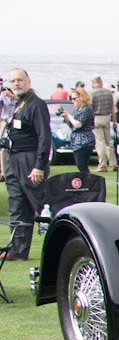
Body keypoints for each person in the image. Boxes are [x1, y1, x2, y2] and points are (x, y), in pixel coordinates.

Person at [2, 68, 51, 261]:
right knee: (16, 204)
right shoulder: (18, 103)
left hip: (30, 159)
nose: (16, 84)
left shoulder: (36, 104)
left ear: (28, 81)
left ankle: (63, 245)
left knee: (42, 205)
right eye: (12, 81)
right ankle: (17, 249)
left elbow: (44, 137)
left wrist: (39, 165)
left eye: (20, 80)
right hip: (14, 159)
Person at [60, 87, 96, 173]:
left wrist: (69, 116)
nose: (72, 101)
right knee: (80, 166)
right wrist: (66, 118)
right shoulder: (77, 110)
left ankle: (88, 183)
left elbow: (78, 124)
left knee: (82, 167)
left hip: (84, 141)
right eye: (71, 98)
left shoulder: (86, 109)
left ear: (81, 97)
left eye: (74, 98)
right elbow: (73, 125)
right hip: (77, 141)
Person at [90, 76, 116, 172]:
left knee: (100, 142)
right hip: (107, 117)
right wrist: (114, 120)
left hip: (96, 118)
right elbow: (112, 108)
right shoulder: (108, 92)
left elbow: (90, 108)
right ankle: (113, 163)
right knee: (109, 142)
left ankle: (102, 165)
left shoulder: (92, 93)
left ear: (93, 82)